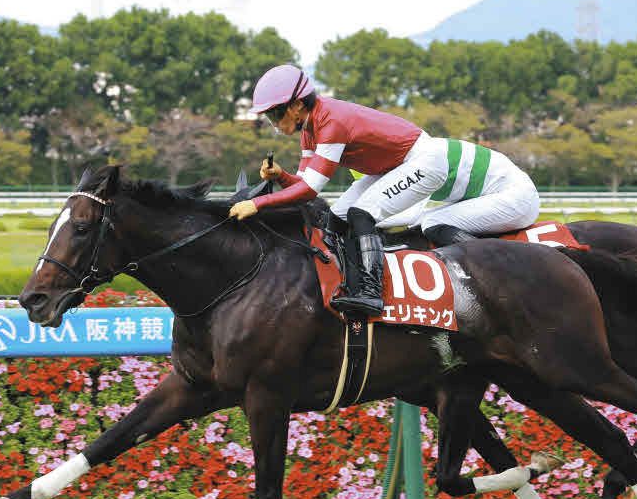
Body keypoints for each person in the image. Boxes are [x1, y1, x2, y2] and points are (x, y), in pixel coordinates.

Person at [229, 64, 541, 316]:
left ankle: (372, 292)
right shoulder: (309, 130)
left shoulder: (330, 122)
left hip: (425, 160)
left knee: (363, 213)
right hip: (398, 165)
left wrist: (259, 205)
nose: (272, 122)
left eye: (274, 114)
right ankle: (348, 284)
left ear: (297, 106)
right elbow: (301, 185)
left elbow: (310, 190)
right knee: (334, 219)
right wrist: (280, 175)